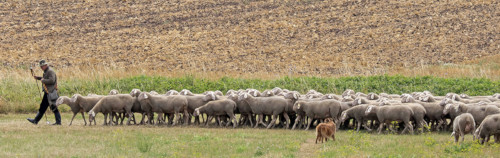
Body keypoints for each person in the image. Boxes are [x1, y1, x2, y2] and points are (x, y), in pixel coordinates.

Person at [27, 60, 61, 125]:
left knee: (52, 107)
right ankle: (35, 120)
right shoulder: (46, 71)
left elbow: (52, 80)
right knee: (44, 107)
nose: (41, 68)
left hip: (51, 92)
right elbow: (45, 78)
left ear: (45, 65)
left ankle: (58, 122)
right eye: (41, 66)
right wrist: (38, 78)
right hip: (48, 92)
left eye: (42, 66)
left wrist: (43, 80)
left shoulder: (50, 71)